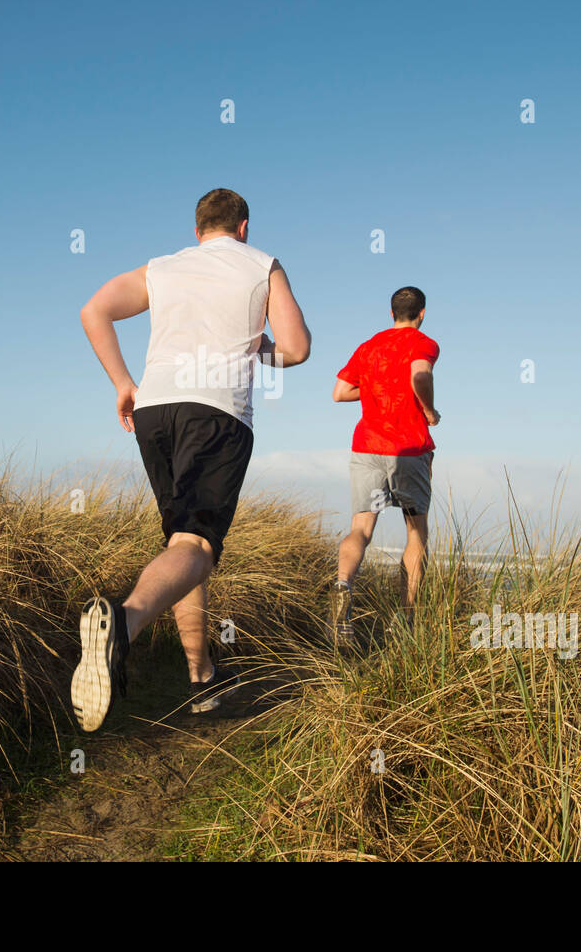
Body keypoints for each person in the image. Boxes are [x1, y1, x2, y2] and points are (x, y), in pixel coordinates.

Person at [73, 188, 311, 731]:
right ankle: (122, 628)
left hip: (155, 411)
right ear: (243, 227)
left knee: (182, 544)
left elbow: (94, 311)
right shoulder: (262, 264)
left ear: (197, 230)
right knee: (197, 545)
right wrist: (257, 346)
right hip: (216, 412)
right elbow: (296, 348)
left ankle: (201, 678)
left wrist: (123, 383)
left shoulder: (163, 267)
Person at [331, 286, 440, 640]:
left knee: (361, 529)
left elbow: (339, 392)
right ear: (422, 313)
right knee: (416, 532)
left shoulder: (368, 347)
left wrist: (377, 387)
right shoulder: (423, 343)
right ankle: (405, 618)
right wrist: (429, 410)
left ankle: (343, 585)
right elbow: (420, 376)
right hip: (408, 450)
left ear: (391, 313)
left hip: (367, 448)